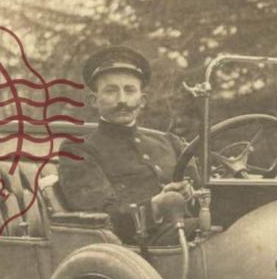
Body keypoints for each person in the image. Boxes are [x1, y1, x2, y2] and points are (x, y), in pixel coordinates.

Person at [58, 46, 195, 242]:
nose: (122, 100)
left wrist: (189, 192)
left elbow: (206, 197)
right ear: (93, 100)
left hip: (187, 234)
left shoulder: (169, 143)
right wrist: (155, 206)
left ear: (142, 99)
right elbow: (99, 218)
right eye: (111, 91)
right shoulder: (79, 151)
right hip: (137, 247)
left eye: (130, 90)